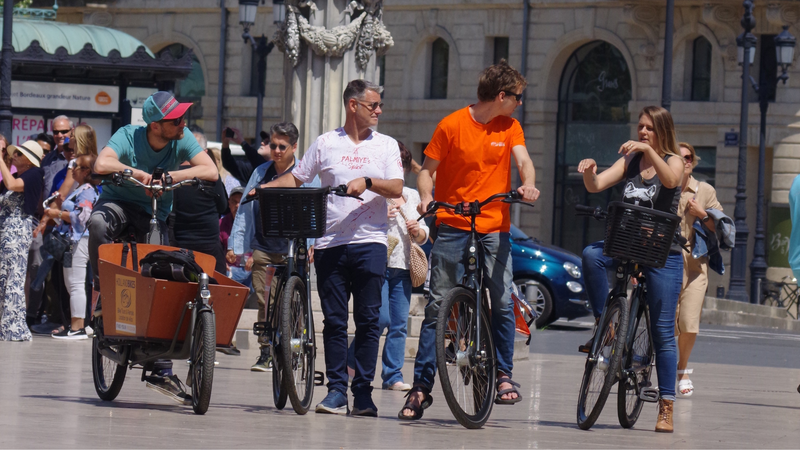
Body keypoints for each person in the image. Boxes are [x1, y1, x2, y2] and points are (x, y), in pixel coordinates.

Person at [400, 60, 540, 420]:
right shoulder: (451, 125)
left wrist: (527, 184)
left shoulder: (510, 127)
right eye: (518, 97)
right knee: (437, 307)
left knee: (503, 302)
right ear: (501, 95)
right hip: (452, 224)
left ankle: (504, 375)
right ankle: (420, 388)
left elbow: (524, 161)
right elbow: (426, 174)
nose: (520, 103)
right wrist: (428, 198)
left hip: (494, 226)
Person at [261, 80, 404, 416]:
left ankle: (364, 393)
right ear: (353, 105)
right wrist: (263, 189)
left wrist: (368, 182)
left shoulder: (386, 146)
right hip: (329, 244)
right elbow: (297, 178)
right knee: (335, 322)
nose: (379, 111)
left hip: (370, 241)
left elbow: (396, 187)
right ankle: (337, 391)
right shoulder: (326, 143)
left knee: (369, 321)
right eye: (373, 105)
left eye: (379, 105)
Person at [89, 91, 217, 404]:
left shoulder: (181, 138)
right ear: (156, 125)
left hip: (155, 212)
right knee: (97, 225)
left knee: (164, 275)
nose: (182, 123)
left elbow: (210, 170)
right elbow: (102, 162)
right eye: (175, 119)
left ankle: (161, 365)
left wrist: (173, 176)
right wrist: (138, 174)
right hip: (119, 203)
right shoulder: (128, 136)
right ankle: (102, 289)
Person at [578, 105, 684, 432]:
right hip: (627, 242)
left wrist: (650, 150)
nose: (642, 132)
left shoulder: (674, 159)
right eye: (640, 127)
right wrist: (589, 171)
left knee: (663, 333)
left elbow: (671, 180)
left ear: (661, 130)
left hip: (663, 252)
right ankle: (604, 322)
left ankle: (666, 406)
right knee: (590, 256)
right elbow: (596, 185)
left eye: (649, 128)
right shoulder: (630, 161)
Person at [346, 141, 429, 391]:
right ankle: (351, 360)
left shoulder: (413, 196)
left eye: (401, 167)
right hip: (377, 265)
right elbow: (357, 225)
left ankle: (392, 375)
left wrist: (418, 231)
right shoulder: (373, 194)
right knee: (379, 319)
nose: (398, 171)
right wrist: (383, 216)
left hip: (403, 266)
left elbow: (424, 232)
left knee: (399, 323)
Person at [226, 122, 304, 372]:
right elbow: (245, 211)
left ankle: (294, 348)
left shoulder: (304, 172)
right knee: (265, 302)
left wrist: (313, 244)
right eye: (273, 145)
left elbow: (319, 210)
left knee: (294, 303)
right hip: (263, 246)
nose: (277, 150)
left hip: (294, 247)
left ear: (294, 147)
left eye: (282, 146)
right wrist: (236, 245)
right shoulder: (261, 172)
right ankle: (266, 351)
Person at [674, 142, 723, 397]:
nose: (686, 161)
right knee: (668, 323)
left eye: (689, 157)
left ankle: (682, 370)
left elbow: (722, 228)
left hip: (695, 265)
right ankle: (665, 366)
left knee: (689, 323)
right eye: (681, 157)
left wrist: (702, 214)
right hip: (667, 261)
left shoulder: (704, 190)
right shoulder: (664, 187)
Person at [45, 154, 100, 340]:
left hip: (79, 240)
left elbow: (83, 216)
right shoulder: (81, 189)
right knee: (73, 284)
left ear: (86, 171)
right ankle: (79, 324)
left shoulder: (86, 190)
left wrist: (57, 212)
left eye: (76, 166)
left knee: (75, 284)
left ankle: (78, 327)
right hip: (75, 240)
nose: (72, 169)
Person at [0, 140, 45, 341]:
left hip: (17, 231)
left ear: (29, 159)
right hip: (5, 233)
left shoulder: (34, 174)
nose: (14, 155)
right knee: (3, 278)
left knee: (13, 278)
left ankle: (14, 328)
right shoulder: (17, 175)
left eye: (18, 153)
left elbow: (11, 185)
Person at [170, 149, 229, 275]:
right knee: (215, 287)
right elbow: (223, 207)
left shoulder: (172, 175)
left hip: (181, 243)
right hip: (209, 243)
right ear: (205, 151)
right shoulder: (211, 175)